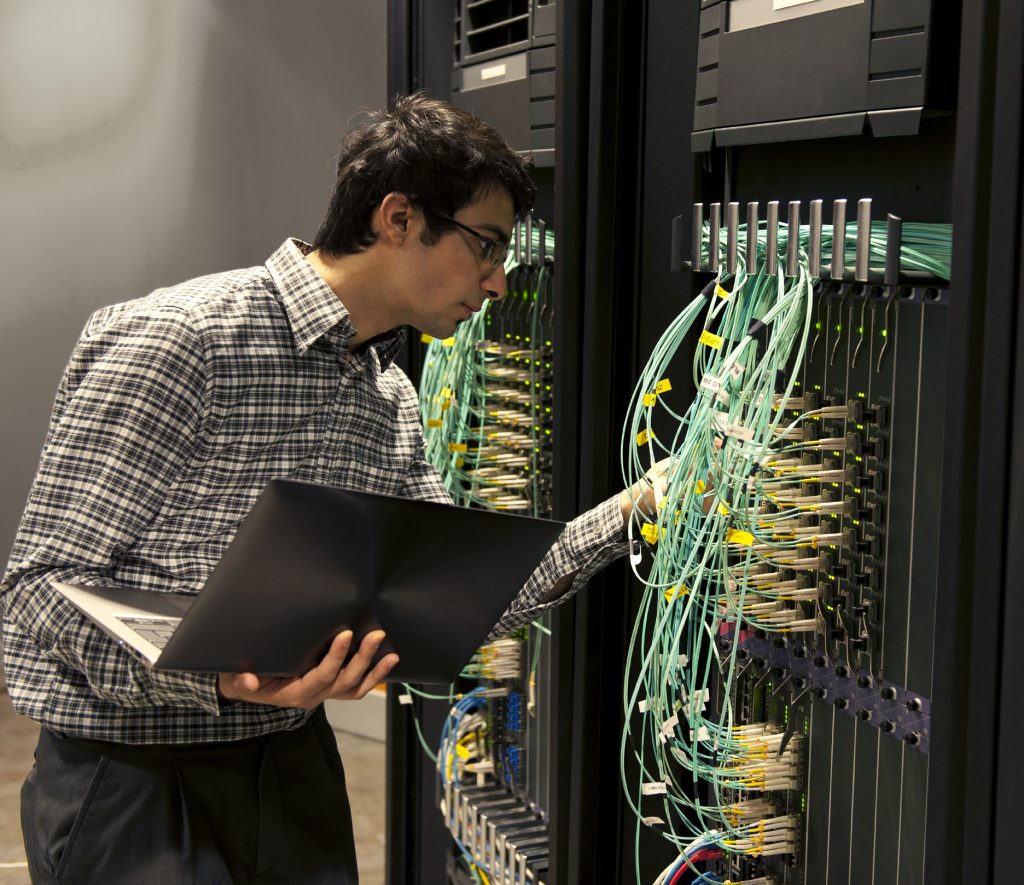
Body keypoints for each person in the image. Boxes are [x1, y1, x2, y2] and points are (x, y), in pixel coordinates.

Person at [1, 93, 660, 884]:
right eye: (486, 247)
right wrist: (214, 676)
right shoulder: (184, 340)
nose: (498, 285)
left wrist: (640, 507)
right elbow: (38, 591)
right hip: (132, 782)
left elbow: (458, 591)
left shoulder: (387, 398)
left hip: (292, 768)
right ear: (397, 218)